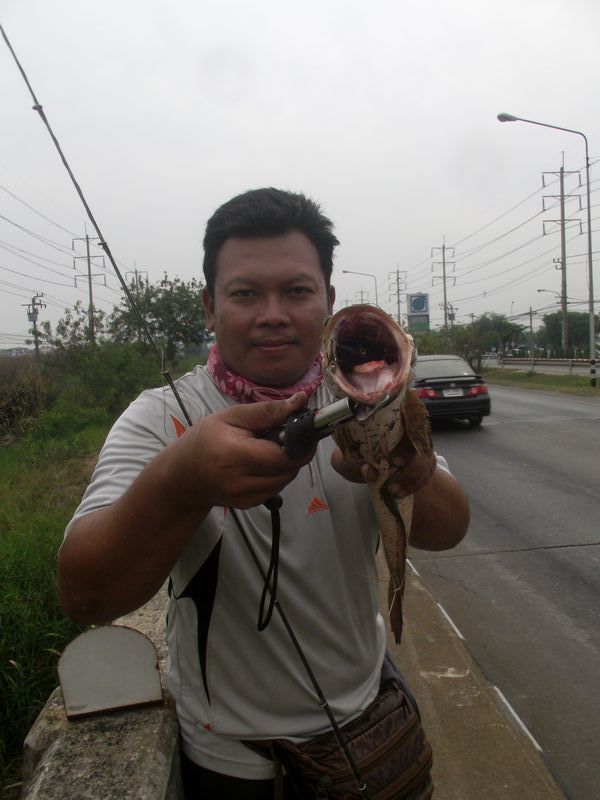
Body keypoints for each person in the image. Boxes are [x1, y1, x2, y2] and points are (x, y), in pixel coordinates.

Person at [58, 188, 470, 799]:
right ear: (209, 306)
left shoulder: (367, 395)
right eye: (246, 293)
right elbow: (85, 594)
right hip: (235, 762)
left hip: (369, 722)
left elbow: (451, 528)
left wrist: (406, 468)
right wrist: (182, 480)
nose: (272, 312)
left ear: (329, 303)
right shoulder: (162, 419)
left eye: (297, 292)